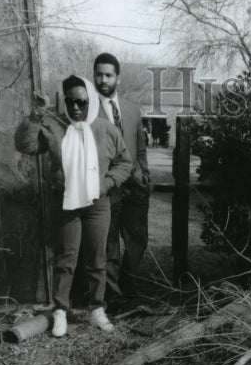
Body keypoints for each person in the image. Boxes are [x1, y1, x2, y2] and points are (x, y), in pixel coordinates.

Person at [14, 75, 134, 337]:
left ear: (90, 101)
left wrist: (105, 185)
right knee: (66, 259)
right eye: (70, 101)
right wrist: (36, 116)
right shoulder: (55, 125)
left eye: (81, 101)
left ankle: (96, 309)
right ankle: (60, 312)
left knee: (97, 258)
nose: (76, 107)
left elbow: (126, 162)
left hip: (97, 203)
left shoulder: (105, 129)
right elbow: (25, 145)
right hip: (67, 203)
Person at [92, 52, 151, 310]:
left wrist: (144, 173)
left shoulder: (131, 108)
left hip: (135, 185)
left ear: (118, 78)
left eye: (108, 75)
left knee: (139, 238)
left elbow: (140, 148)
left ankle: (130, 284)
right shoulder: (88, 110)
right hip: (109, 184)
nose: (103, 79)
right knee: (110, 241)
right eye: (99, 74)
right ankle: (114, 296)